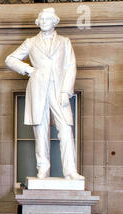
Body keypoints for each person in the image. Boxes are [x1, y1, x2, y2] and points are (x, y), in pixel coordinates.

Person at [5, 8, 84, 180]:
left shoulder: (64, 42)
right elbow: (10, 59)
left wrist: (65, 91)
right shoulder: (31, 42)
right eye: (41, 19)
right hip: (38, 89)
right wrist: (28, 69)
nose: (44, 21)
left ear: (55, 21)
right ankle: (43, 168)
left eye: (47, 19)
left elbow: (70, 67)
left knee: (65, 129)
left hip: (58, 90)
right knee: (40, 130)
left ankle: (70, 170)